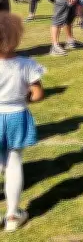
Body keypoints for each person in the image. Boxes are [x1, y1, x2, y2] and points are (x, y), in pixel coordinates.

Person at [0, 13, 45, 232]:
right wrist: (24, 96)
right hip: (17, 114)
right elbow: (37, 94)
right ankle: (12, 215)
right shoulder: (27, 64)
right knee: (14, 161)